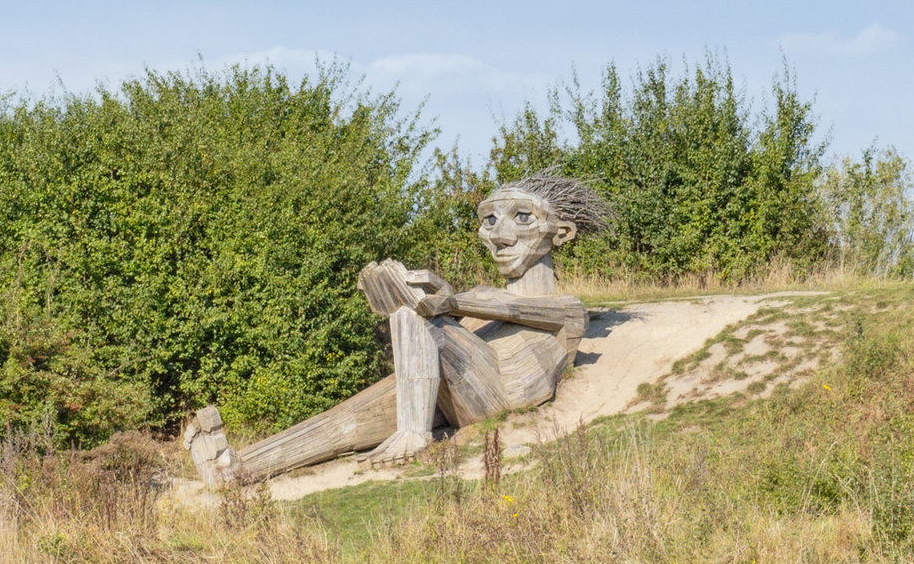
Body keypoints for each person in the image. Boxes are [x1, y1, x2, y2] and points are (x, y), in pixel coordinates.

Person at [185, 173, 611, 489]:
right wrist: (406, 294)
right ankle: (233, 467)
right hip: (446, 395)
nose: (500, 234)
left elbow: (509, 306)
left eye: (521, 217)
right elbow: (460, 321)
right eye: (489, 220)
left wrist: (445, 301)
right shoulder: (475, 297)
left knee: (420, 319)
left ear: (563, 233)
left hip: (496, 395)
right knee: (347, 419)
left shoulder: (566, 311)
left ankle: (413, 436)